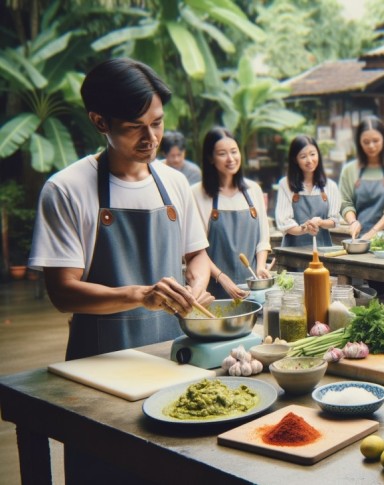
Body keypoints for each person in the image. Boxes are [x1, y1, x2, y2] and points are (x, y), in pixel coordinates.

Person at [29, 58, 213, 362]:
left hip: (174, 353)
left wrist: (194, 288)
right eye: (134, 127)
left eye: (157, 123)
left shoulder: (175, 183)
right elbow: (63, 292)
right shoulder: (65, 189)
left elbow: (197, 255)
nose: (152, 139)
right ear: (100, 121)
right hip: (100, 361)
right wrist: (140, 296)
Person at [192, 127, 271, 299]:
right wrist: (222, 278)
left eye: (234, 152)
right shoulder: (197, 194)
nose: (230, 159)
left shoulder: (253, 190)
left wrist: (260, 267)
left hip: (251, 289)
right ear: (210, 158)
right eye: (222, 153)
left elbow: (263, 239)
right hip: (213, 291)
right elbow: (196, 249)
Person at [339, 116, 384, 243]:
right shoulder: (349, 170)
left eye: (376, 141)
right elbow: (345, 203)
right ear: (359, 142)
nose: (371, 146)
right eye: (366, 142)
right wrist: (353, 222)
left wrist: (372, 233)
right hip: (360, 238)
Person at [275, 135, 341, 247]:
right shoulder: (285, 184)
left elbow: (334, 220)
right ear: (295, 159)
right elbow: (284, 223)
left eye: (312, 154)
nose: (309, 160)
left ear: (318, 155)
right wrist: (305, 229)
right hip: (293, 251)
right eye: (303, 156)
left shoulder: (330, 186)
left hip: (322, 250)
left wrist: (320, 222)